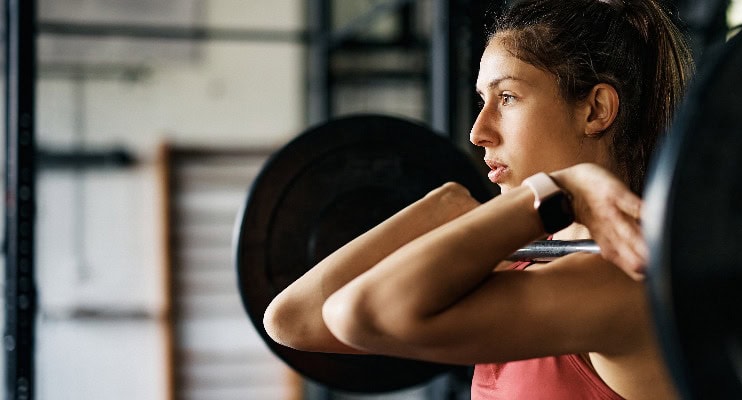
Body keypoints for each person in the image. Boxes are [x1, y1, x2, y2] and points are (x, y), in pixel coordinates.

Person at [263, 0, 693, 398]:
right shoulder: (525, 263)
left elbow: (360, 313)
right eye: (482, 100)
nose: (477, 131)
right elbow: (293, 320)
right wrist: (443, 205)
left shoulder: (623, 282)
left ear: (595, 110)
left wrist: (559, 193)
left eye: (507, 97)